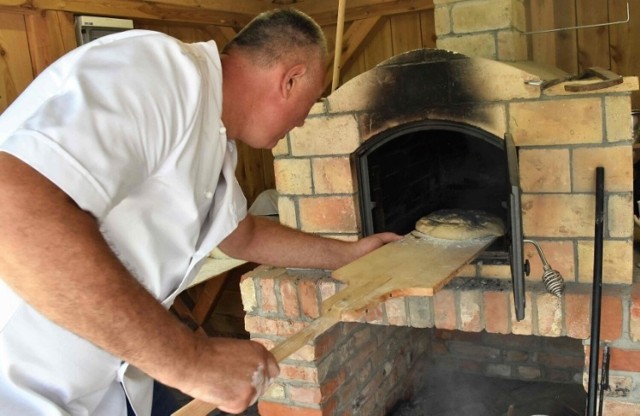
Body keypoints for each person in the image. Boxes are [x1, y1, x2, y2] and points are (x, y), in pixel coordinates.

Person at [0, 8, 399, 416]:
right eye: (309, 103)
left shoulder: (216, 138)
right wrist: (192, 360)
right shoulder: (162, 73)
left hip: (114, 380)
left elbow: (244, 236)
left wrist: (349, 255)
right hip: (22, 387)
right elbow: (11, 208)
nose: (300, 123)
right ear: (290, 79)